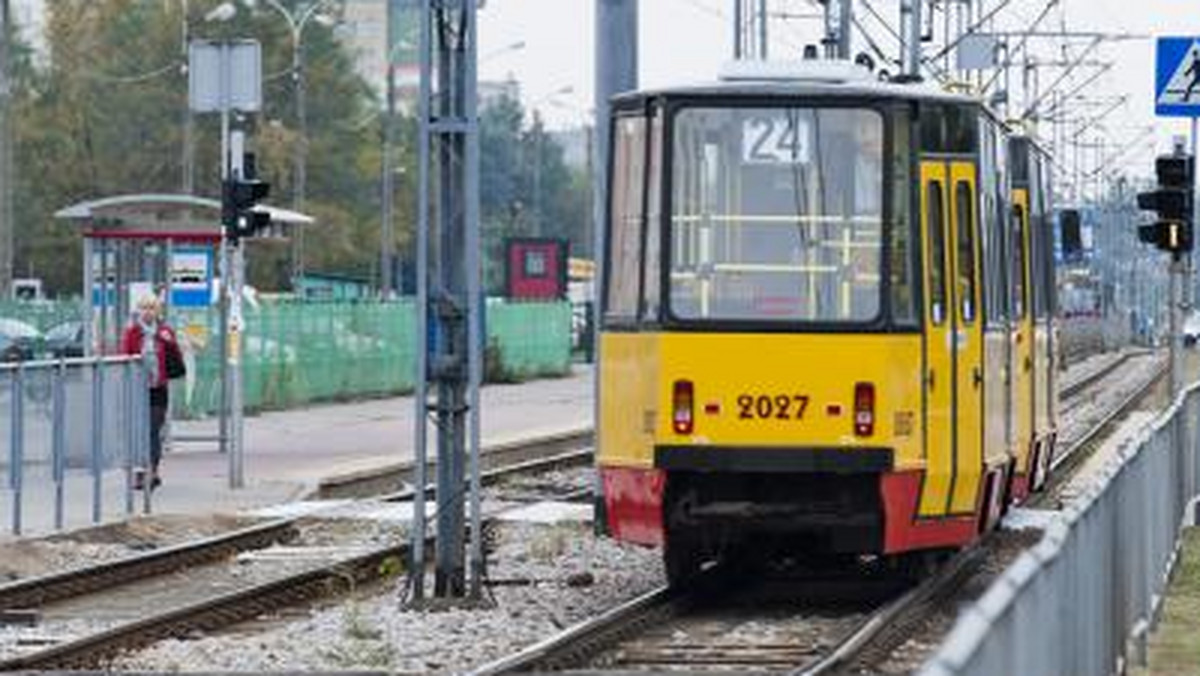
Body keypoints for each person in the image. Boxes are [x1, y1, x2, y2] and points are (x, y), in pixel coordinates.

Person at [120, 295, 182, 490]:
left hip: (158, 388)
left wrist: (169, 343)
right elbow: (124, 358)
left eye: (151, 308)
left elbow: (176, 360)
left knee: (153, 431)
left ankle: (153, 470)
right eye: (144, 308)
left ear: (157, 311)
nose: (147, 312)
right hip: (137, 389)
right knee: (137, 431)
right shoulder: (132, 333)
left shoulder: (165, 332)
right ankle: (139, 473)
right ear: (138, 311)